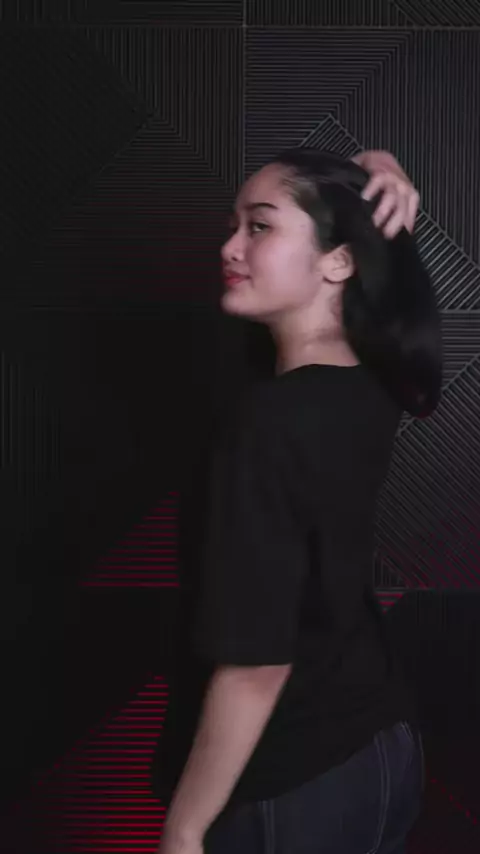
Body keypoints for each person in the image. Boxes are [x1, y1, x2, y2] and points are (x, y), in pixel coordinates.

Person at [153, 149, 442, 854]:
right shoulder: (371, 381)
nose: (230, 246)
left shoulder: (270, 421)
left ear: (339, 261)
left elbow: (257, 664)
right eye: (233, 226)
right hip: (379, 751)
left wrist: (186, 827)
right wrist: (373, 173)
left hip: (290, 781)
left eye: (259, 227)